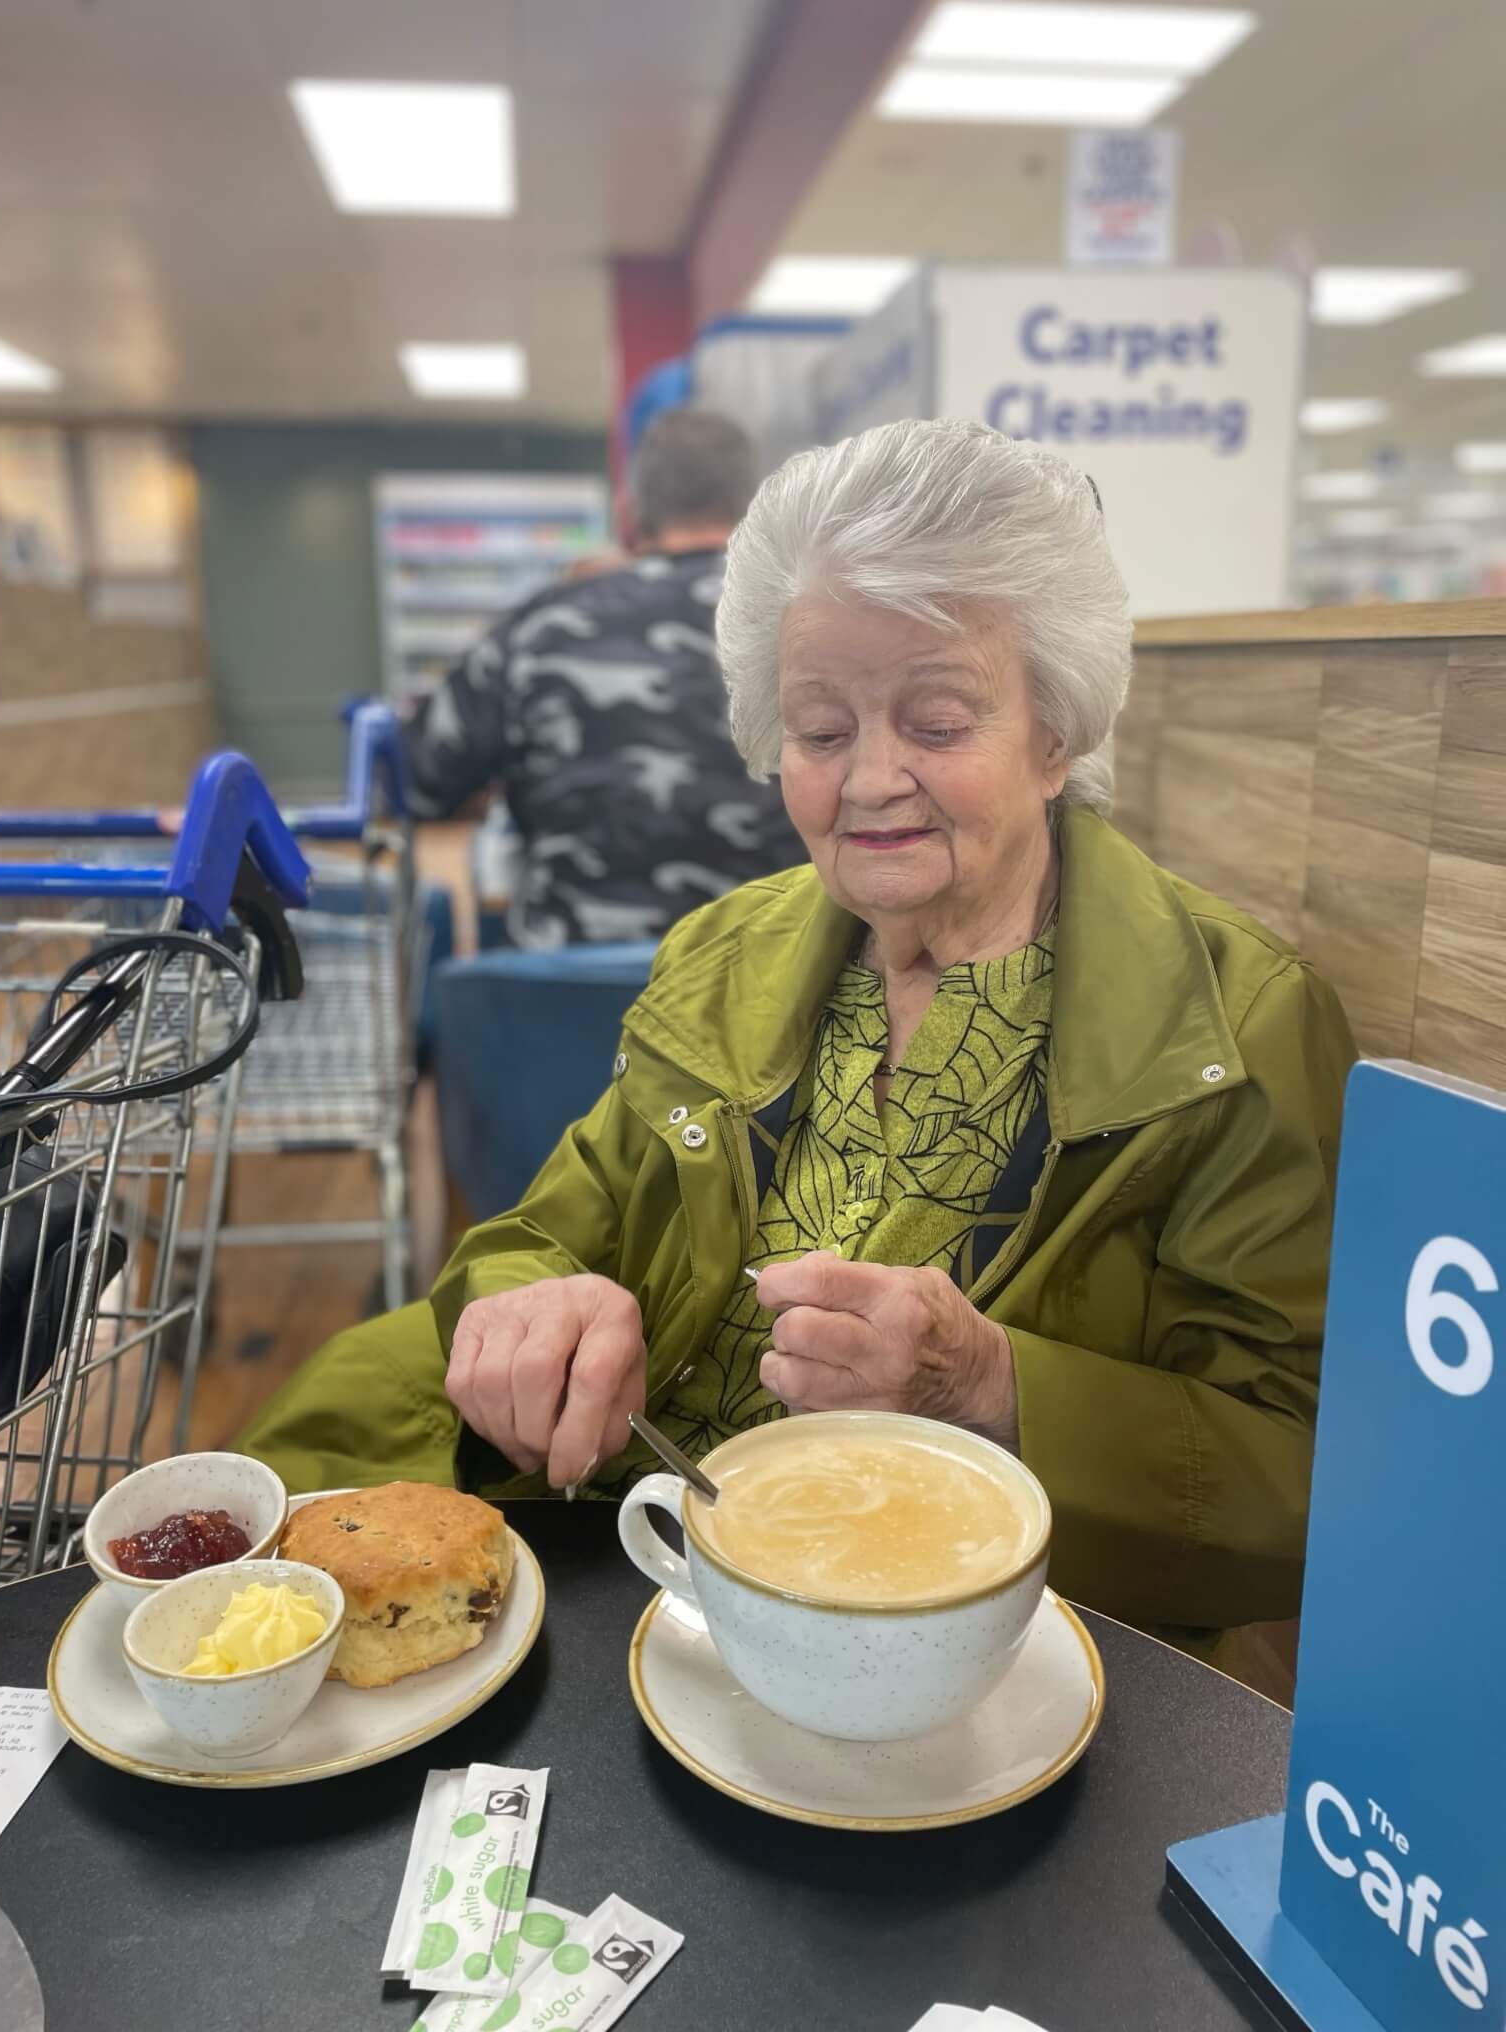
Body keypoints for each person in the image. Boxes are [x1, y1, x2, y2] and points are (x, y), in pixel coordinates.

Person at [242, 418, 1357, 1642]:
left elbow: (1304, 1489)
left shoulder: (1241, 1025)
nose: (868, 779)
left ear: (1057, 732)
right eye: (821, 731)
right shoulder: (729, 947)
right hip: (637, 1559)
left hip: (945, 1640)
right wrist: (530, 1298)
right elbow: (544, 1230)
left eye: (936, 722)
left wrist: (993, 1386)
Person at [401, 407, 804, 946]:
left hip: (570, 998)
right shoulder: (808, 619)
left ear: (627, 516)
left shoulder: (539, 627)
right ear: (758, 511)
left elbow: (410, 783)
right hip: (773, 990)